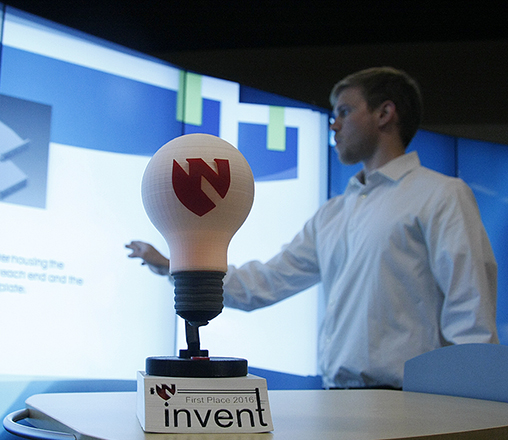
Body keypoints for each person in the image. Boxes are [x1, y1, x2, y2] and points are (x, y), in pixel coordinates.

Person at [126, 67, 499, 390]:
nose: (333, 123)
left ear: (385, 113)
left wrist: (471, 404)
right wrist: (178, 266)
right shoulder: (333, 214)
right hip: (336, 396)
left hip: (413, 401)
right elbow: (268, 281)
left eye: (344, 111)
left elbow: (470, 310)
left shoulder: (441, 194)